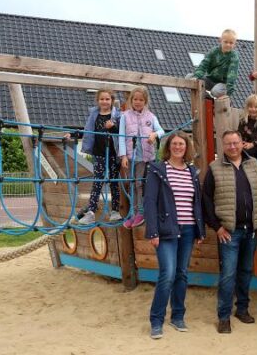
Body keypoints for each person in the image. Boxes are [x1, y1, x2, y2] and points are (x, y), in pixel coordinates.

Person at [203, 130, 257, 334]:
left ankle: (242, 309)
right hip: (229, 232)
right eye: (228, 144)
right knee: (228, 274)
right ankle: (224, 317)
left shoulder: (255, 165)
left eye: (236, 143)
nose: (232, 147)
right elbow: (206, 200)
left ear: (242, 144)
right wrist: (217, 227)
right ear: (223, 146)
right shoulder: (214, 168)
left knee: (246, 271)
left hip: (251, 230)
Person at [143, 131, 205, 339]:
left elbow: (197, 203)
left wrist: (199, 229)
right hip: (167, 230)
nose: (178, 147)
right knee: (167, 274)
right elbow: (149, 202)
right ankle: (156, 320)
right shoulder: (158, 169)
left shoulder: (192, 172)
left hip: (188, 229)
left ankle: (178, 316)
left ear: (187, 148)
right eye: (175, 144)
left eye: (182, 144)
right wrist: (153, 231)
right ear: (168, 147)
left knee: (182, 274)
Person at [73, 88, 122, 224]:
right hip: (99, 153)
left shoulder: (117, 115)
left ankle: (115, 211)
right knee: (97, 182)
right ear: (98, 100)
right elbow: (87, 130)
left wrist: (112, 127)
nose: (104, 101)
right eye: (102, 99)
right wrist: (73, 135)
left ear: (112, 101)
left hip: (113, 153)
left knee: (113, 182)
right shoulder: (94, 115)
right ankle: (91, 212)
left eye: (107, 99)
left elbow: (121, 132)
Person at [119, 86, 165, 229]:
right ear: (131, 100)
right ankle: (133, 213)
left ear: (145, 101)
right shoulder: (125, 116)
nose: (138, 102)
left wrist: (154, 135)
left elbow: (161, 130)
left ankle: (141, 212)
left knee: (141, 184)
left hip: (147, 157)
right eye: (135, 99)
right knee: (133, 183)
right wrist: (123, 156)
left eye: (141, 99)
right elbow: (121, 137)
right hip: (133, 156)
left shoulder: (150, 116)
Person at [188, 29, 240, 99]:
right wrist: (196, 76)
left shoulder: (234, 56)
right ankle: (205, 94)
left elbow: (232, 75)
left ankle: (210, 95)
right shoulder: (214, 51)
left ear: (235, 44)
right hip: (210, 80)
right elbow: (204, 64)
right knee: (189, 77)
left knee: (215, 91)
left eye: (231, 43)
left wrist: (228, 93)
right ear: (220, 40)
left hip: (222, 84)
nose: (228, 45)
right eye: (225, 42)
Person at [237, 94, 257, 159]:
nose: (253, 109)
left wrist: (252, 144)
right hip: (245, 145)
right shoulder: (243, 120)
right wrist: (242, 143)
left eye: (256, 107)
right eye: (250, 107)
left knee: (245, 153)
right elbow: (239, 134)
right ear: (247, 107)